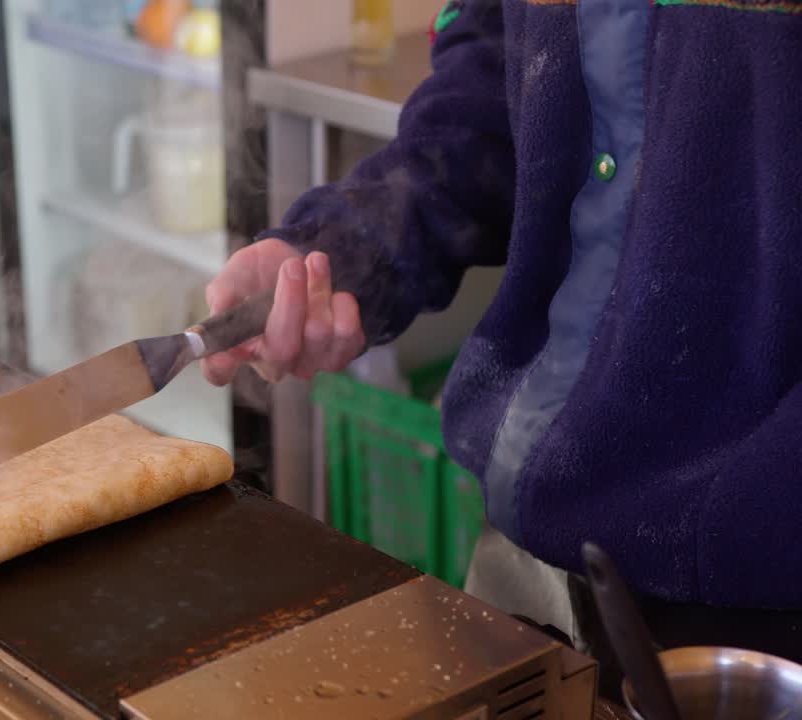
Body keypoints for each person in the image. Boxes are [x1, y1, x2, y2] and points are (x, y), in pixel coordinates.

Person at [204, 0, 802, 694]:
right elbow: (498, 75)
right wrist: (343, 250)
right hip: (526, 564)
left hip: (752, 612)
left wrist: (745, 509)